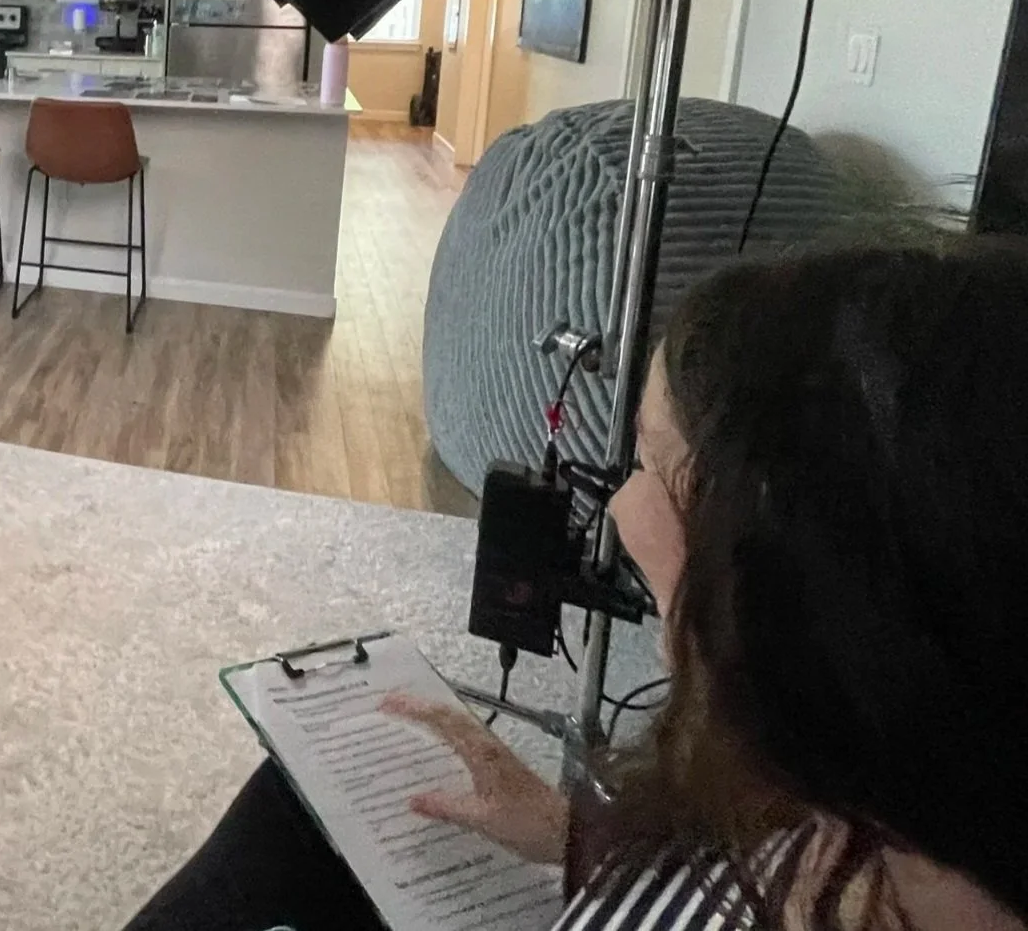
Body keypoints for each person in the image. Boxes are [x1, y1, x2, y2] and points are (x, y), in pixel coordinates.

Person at [124, 240, 1028, 931]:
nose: (621, 509)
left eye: (646, 459)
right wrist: (571, 832)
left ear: (807, 577)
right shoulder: (871, 812)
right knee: (303, 799)